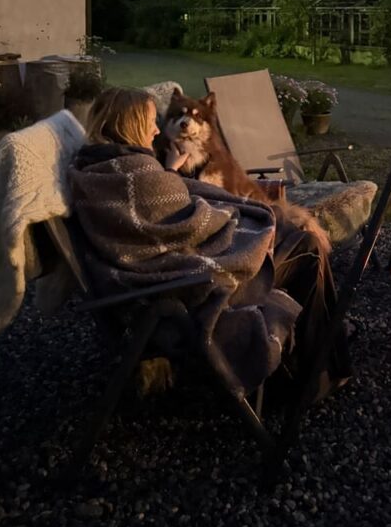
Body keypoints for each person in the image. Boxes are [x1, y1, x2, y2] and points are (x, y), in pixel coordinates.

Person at [69, 86, 351, 402]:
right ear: (130, 125)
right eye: (150, 122)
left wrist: (172, 171)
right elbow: (191, 222)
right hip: (188, 286)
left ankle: (324, 347)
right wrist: (232, 215)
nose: (158, 129)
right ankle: (320, 372)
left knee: (293, 236)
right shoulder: (139, 176)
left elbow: (155, 217)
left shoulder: (93, 168)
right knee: (307, 247)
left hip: (158, 276)